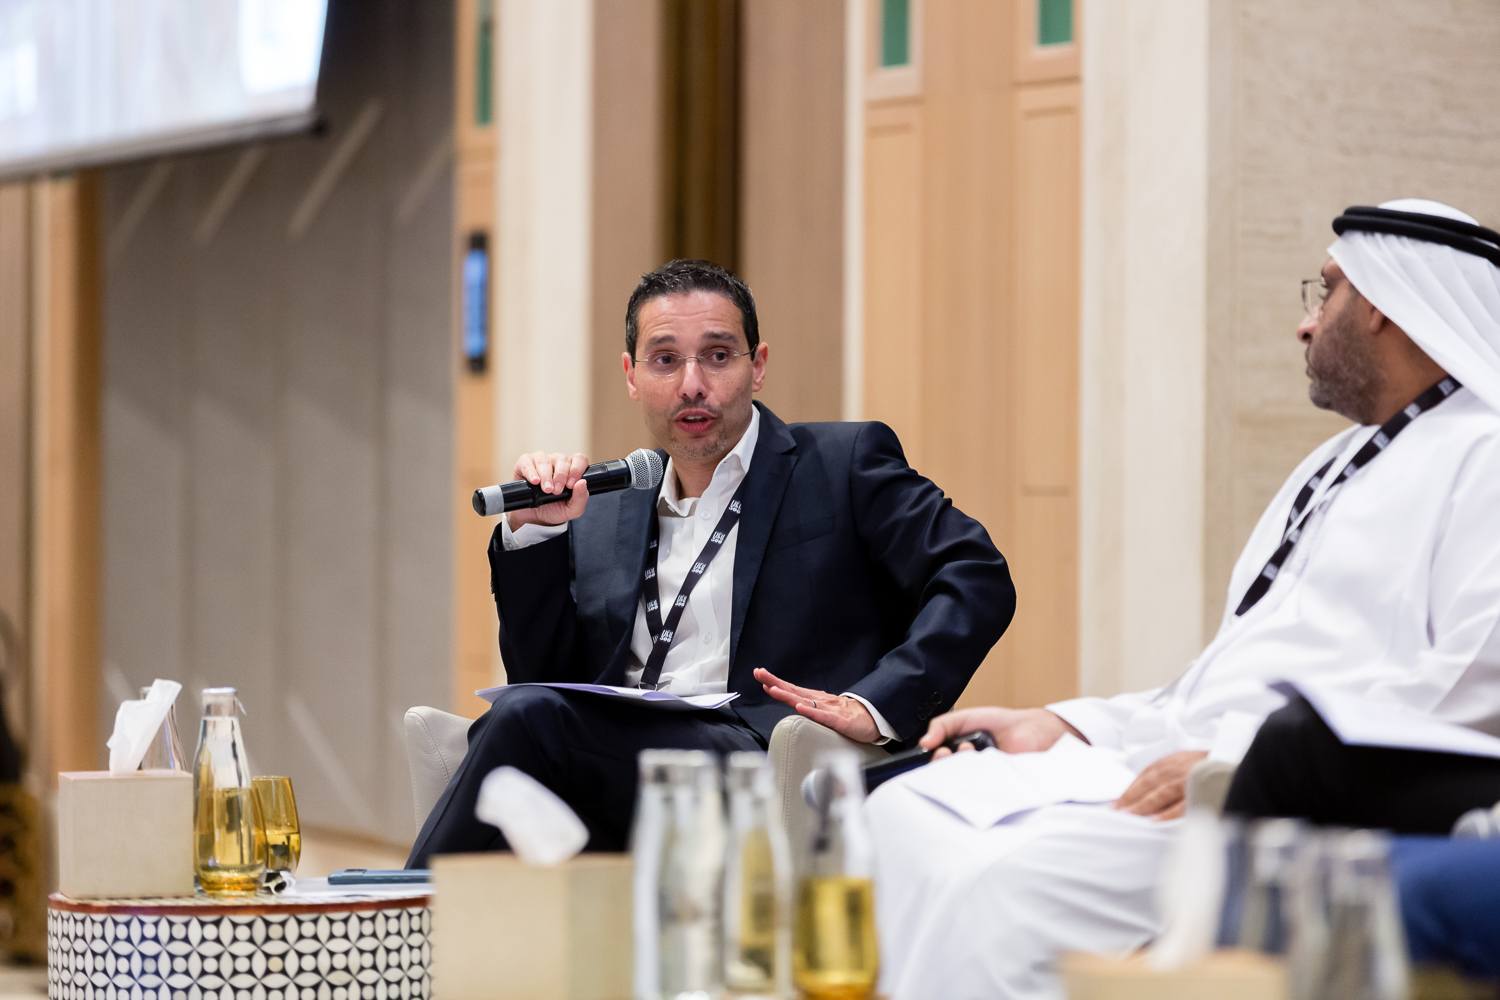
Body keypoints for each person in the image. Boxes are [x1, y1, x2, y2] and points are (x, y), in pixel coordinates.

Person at [867, 199, 1500, 999]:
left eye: (1327, 291)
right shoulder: (1337, 463)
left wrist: (1239, 761)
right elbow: (1223, 676)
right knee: (902, 811)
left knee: (1000, 884)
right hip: (1183, 765)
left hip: (1280, 804)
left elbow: (1468, 693)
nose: (1306, 323)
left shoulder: (1486, 456)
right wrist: (1072, 724)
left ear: (1382, 303)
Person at [407, 259, 1016, 866]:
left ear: (758, 367)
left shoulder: (840, 465)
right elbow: (543, 679)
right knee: (522, 728)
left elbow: (974, 573)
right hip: (612, 761)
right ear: (631, 375)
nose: (692, 384)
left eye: (718, 356)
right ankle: (435, 915)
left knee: (524, 725)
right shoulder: (602, 506)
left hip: (756, 752)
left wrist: (877, 703)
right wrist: (536, 534)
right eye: (665, 360)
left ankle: (398, 910)